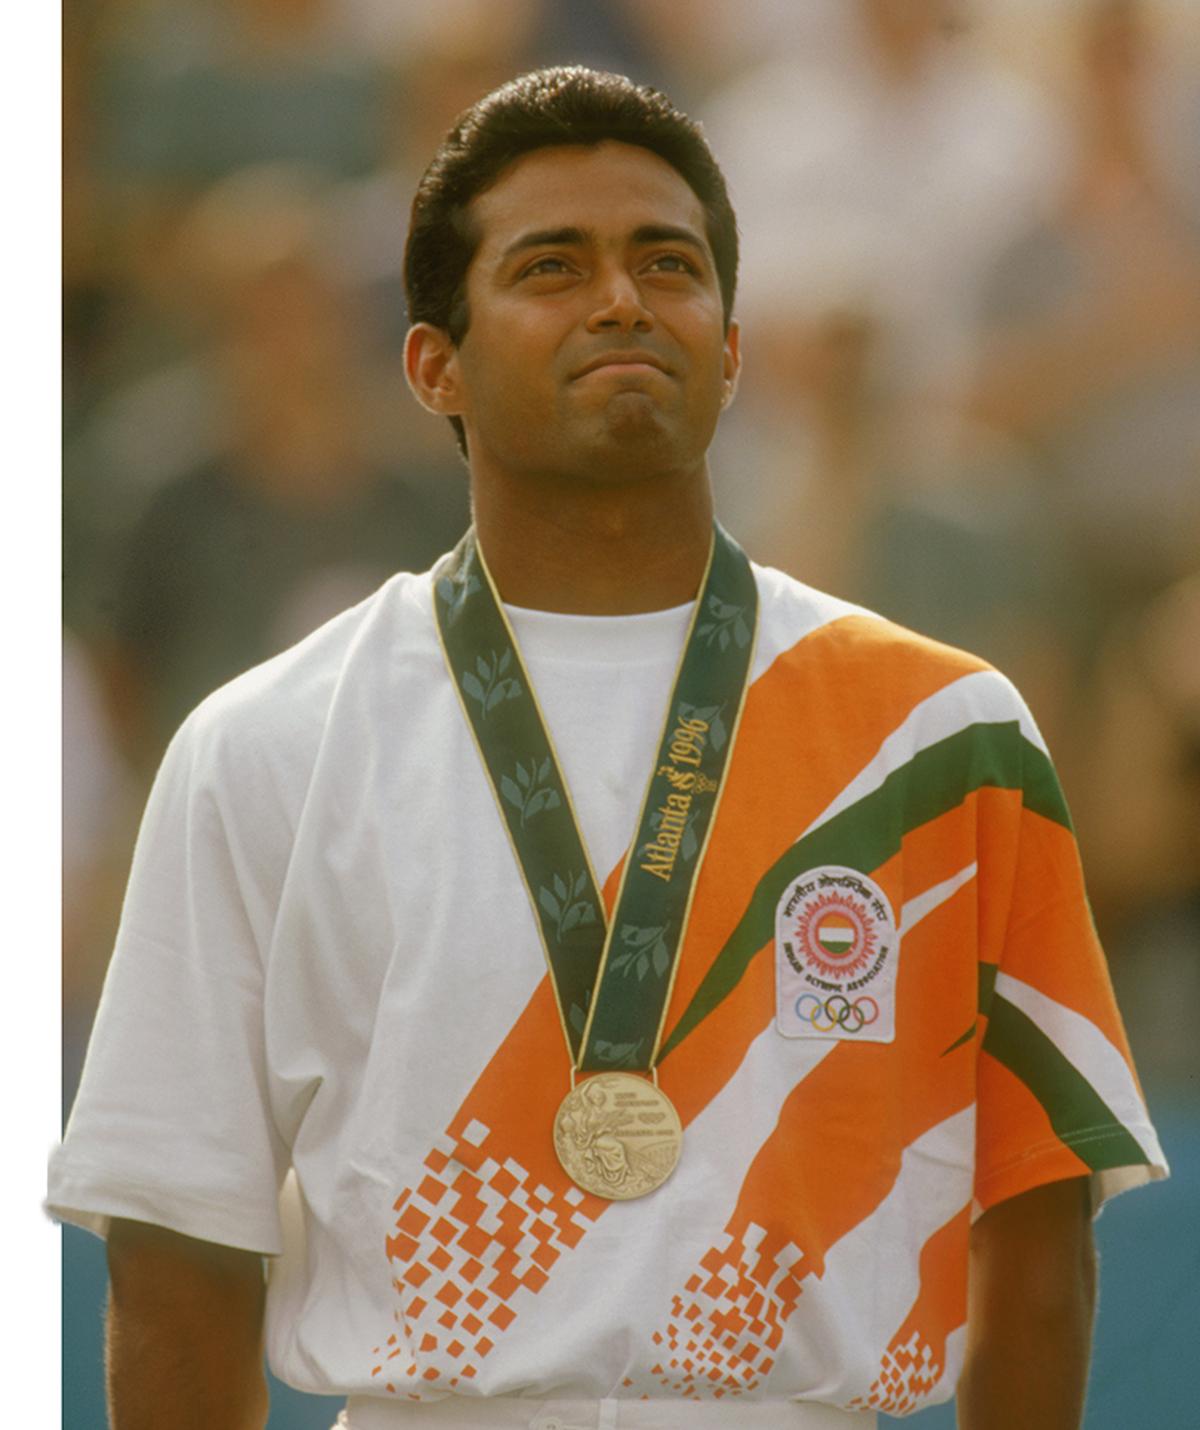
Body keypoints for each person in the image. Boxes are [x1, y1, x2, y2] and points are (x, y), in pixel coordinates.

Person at [49, 67, 1166, 1430]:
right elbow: (179, 1252)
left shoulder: (942, 733)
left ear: (735, 345)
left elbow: (1039, 1240)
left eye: (668, 262)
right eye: (550, 267)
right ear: (431, 364)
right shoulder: (262, 744)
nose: (624, 299)